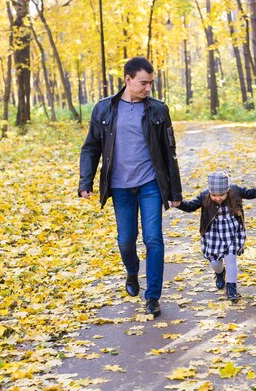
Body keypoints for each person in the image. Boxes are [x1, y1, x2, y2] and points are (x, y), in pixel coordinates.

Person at [78, 56, 182, 318]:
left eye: (150, 83)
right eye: (143, 83)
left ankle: (153, 297)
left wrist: (175, 193)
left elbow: (170, 153)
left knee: (154, 239)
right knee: (126, 241)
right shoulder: (104, 109)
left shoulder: (158, 110)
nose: (148, 88)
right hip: (120, 187)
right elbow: (91, 147)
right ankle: (133, 271)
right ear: (128, 80)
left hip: (150, 185)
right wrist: (85, 181)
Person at [176, 172, 256, 302]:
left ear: (227, 190)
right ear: (209, 192)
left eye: (221, 195)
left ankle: (231, 288)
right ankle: (220, 273)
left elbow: (252, 193)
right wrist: (179, 204)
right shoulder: (204, 196)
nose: (218, 198)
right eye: (214, 195)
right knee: (215, 263)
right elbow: (191, 206)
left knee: (231, 259)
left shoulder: (235, 191)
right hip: (213, 234)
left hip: (231, 232)